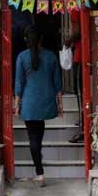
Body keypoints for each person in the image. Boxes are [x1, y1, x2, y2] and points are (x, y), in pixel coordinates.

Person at [15, 25, 62, 187]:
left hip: (29, 103)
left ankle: (40, 173)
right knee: (38, 137)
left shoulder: (22, 57)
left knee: (33, 138)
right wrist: (60, 105)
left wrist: (17, 104)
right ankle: (40, 172)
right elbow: (58, 84)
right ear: (41, 39)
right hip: (46, 102)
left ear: (26, 40)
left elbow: (19, 84)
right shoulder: (51, 56)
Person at [57, 0, 84, 144]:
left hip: (80, 56)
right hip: (85, 54)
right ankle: (83, 122)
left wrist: (67, 40)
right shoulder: (85, 3)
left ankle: (83, 128)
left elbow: (77, 31)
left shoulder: (76, 8)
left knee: (80, 92)